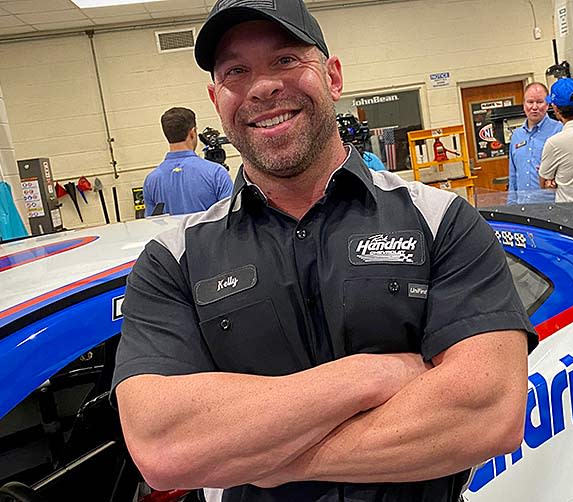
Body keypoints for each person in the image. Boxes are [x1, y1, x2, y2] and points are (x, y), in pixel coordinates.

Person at [112, 2, 537, 502]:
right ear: (216, 97)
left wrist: (266, 460)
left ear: (333, 76)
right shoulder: (173, 260)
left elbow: (488, 413)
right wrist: (371, 374)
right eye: (236, 71)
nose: (263, 86)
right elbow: (165, 448)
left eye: (286, 60)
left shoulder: (440, 221)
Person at [143, 107, 233, 215]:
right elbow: (232, 218)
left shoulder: (151, 181)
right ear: (193, 132)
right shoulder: (217, 173)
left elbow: (152, 223)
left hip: (171, 232)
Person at [507, 82, 563, 204]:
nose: (534, 107)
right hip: (523, 206)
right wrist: (511, 205)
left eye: (539, 102)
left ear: (548, 104)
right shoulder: (516, 136)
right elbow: (513, 176)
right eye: (530, 102)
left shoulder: (559, 130)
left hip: (551, 205)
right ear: (523, 104)